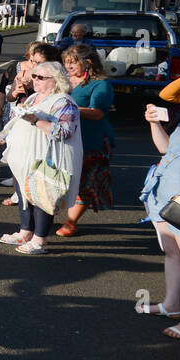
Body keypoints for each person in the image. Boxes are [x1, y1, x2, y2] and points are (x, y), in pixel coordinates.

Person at [0, 61, 82, 254]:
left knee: (42, 197)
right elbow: (14, 122)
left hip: (44, 160)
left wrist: (35, 120)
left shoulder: (64, 102)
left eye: (41, 77)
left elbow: (64, 132)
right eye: (34, 76)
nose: (35, 80)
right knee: (24, 195)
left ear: (57, 80)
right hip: (22, 159)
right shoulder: (33, 97)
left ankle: (40, 240)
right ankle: (25, 232)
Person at [137, 100, 180, 336]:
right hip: (166, 193)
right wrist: (155, 124)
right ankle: (171, 305)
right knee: (172, 252)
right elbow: (166, 149)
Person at [58, 45, 114, 237]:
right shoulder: (64, 80)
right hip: (66, 138)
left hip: (93, 141)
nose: (68, 66)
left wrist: (69, 109)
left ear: (87, 63)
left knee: (85, 182)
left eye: (72, 62)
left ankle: (70, 222)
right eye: (66, 62)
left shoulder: (101, 84)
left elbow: (97, 113)